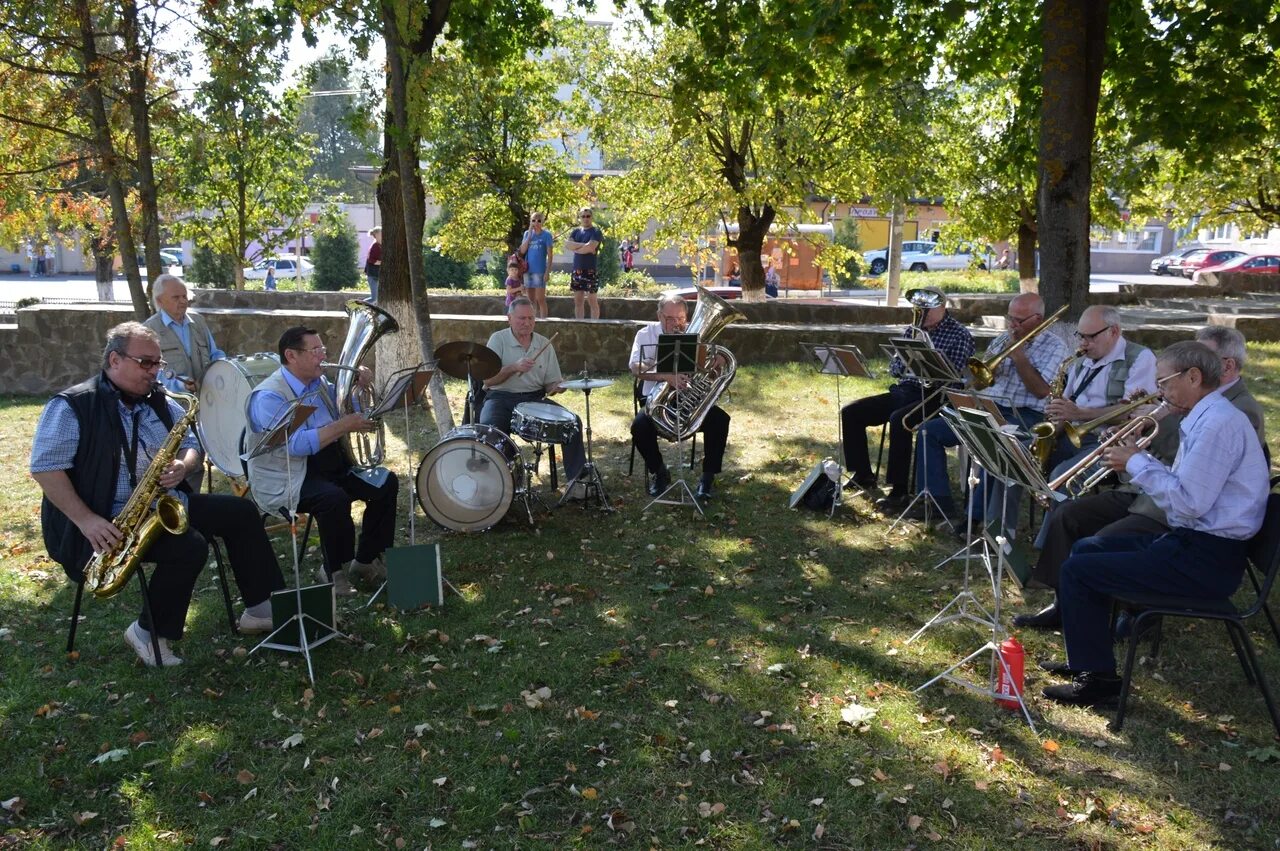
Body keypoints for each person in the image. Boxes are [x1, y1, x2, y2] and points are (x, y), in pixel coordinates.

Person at [30, 322, 286, 666]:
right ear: (115, 359)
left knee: (240, 513)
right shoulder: (73, 406)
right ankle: (148, 633)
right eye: (145, 363)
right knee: (189, 546)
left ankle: (261, 608)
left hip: (162, 506)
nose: (154, 372)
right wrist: (87, 521)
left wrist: (184, 465)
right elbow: (46, 468)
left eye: (158, 364)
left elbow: (194, 445)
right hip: (107, 521)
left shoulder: (161, 400)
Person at [1041, 340, 1269, 708]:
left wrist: (1136, 464)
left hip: (1207, 558)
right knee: (1085, 549)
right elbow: (1186, 496)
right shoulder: (1205, 417)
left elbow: (1189, 504)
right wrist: (1142, 456)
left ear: (1194, 377)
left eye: (1165, 382)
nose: (1159, 392)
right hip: (1192, 542)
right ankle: (1088, 661)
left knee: (1080, 570)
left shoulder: (1217, 425)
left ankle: (1100, 681)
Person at [1014, 326, 1267, 629]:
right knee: (1069, 513)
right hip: (1153, 492)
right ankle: (1063, 604)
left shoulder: (1237, 411)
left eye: (1203, 356)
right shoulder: (1196, 403)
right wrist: (1136, 431)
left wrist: (1154, 430)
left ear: (1217, 368)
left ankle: (1134, 613)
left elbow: (1193, 479)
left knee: (1103, 543)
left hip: (1179, 514)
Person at [246, 326, 399, 597]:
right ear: (291, 355)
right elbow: (294, 446)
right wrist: (343, 426)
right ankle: (332, 570)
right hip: (288, 475)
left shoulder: (319, 385)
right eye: (315, 351)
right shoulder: (269, 396)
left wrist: (357, 388)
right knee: (333, 499)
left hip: (329, 465)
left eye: (323, 350)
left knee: (386, 482)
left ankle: (365, 559)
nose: (322, 357)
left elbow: (343, 409)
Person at [910, 293, 1069, 523]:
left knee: (993, 443)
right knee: (929, 431)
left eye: (1019, 321)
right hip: (988, 407)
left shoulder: (1056, 347)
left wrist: (1019, 357)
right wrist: (988, 373)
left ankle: (975, 519)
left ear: (1038, 318)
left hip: (1026, 415)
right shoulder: (1003, 338)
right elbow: (984, 379)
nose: (1012, 325)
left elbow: (1042, 391)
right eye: (1010, 318)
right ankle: (937, 503)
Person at [841, 289, 976, 511]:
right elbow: (894, 369)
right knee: (852, 411)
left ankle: (899, 489)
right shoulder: (912, 331)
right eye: (919, 309)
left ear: (942, 308)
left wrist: (928, 360)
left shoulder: (959, 334)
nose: (922, 314)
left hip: (936, 396)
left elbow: (953, 380)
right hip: (905, 390)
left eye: (927, 309)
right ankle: (863, 473)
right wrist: (907, 358)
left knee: (899, 420)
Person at [629, 294, 731, 500]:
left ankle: (707, 478)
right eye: (669, 318)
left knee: (720, 420)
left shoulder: (696, 337)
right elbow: (635, 367)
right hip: (655, 400)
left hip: (687, 400)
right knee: (639, 427)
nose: (676, 324)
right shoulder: (646, 334)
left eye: (681, 318)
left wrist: (716, 366)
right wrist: (665, 376)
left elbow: (709, 376)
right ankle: (659, 472)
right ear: (659, 315)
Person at [479, 297, 586, 486]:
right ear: (509, 318)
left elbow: (549, 385)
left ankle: (576, 483)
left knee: (573, 422)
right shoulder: (498, 339)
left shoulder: (544, 343)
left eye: (531, 318)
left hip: (534, 399)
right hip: (500, 397)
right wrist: (513, 367)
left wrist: (557, 387)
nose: (527, 323)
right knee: (490, 430)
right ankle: (497, 483)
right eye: (521, 318)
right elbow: (488, 380)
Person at [143, 274, 228, 491]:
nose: (183, 301)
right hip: (170, 409)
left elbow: (215, 353)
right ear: (160, 301)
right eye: (176, 297)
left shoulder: (197, 322)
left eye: (185, 296)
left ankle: (192, 506)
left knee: (196, 459)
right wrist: (180, 386)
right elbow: (150, 372)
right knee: (174, 460)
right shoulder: (149, 330)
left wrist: (222, 368)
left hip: (203, 406)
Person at [566, 207, 603, 320]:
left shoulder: (596, 231)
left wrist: (577, 248)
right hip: (577, 270)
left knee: (592, 300)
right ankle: (579, 323)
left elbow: (591, 246)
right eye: (583, 216)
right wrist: (584, 246)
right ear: (580, 218)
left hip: (590, 270)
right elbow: (568, 245)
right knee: (578, 301)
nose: (585, 218)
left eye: (588, 216)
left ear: (591, 217)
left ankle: (595, 325)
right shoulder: (576, 231)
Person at [519, 213, 554, 319]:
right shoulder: (527, 234)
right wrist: (529, 233)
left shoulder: (546, 235)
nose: (536, 223)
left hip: (540, 271)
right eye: (533, 220)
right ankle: (532, 321)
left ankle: (543, 321)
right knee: (530, 300)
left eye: (539, 220)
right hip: (528, 270)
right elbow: (522, 250)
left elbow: (550, 255)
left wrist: (547, 272)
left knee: (541, 299)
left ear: (543, 222)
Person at [364, 227, 382, 302]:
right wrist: (381, 262)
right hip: (372, 276)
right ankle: (359, 307)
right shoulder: (375, 246)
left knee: (377, 299)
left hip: (376, 275)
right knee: (374, 298)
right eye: (381, 233)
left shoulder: (380, 245)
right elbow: (370, 259)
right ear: (377, 235)